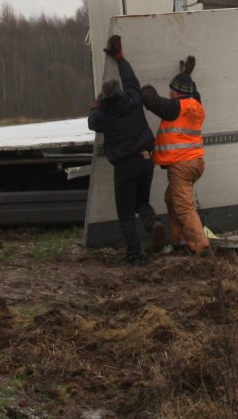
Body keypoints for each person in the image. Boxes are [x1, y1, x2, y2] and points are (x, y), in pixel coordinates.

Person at [88, 35, 156, 266]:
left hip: (125, 166)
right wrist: (120, 58)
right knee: (141, 202)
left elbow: (91, 123)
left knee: (126, 214)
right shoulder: (134, 100)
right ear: (120, 92)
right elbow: (131, 80)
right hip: (146, 160)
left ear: (105, 98)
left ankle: (135, 256)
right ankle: (151, 219)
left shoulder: (102, 115)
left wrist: (96, 105)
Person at [140, 54, 211, 255]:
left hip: (182, 165)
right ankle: (179, 238)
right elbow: (193, 93)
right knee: (171, 198)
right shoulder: (195, 105)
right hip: (194, 163)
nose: (169, 92)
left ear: (178, 93)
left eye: (172, 89)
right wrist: (186, 74)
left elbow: (152, 101)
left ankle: (200, 246)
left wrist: (142, 88)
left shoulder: (176, 107)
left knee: (183, 206)